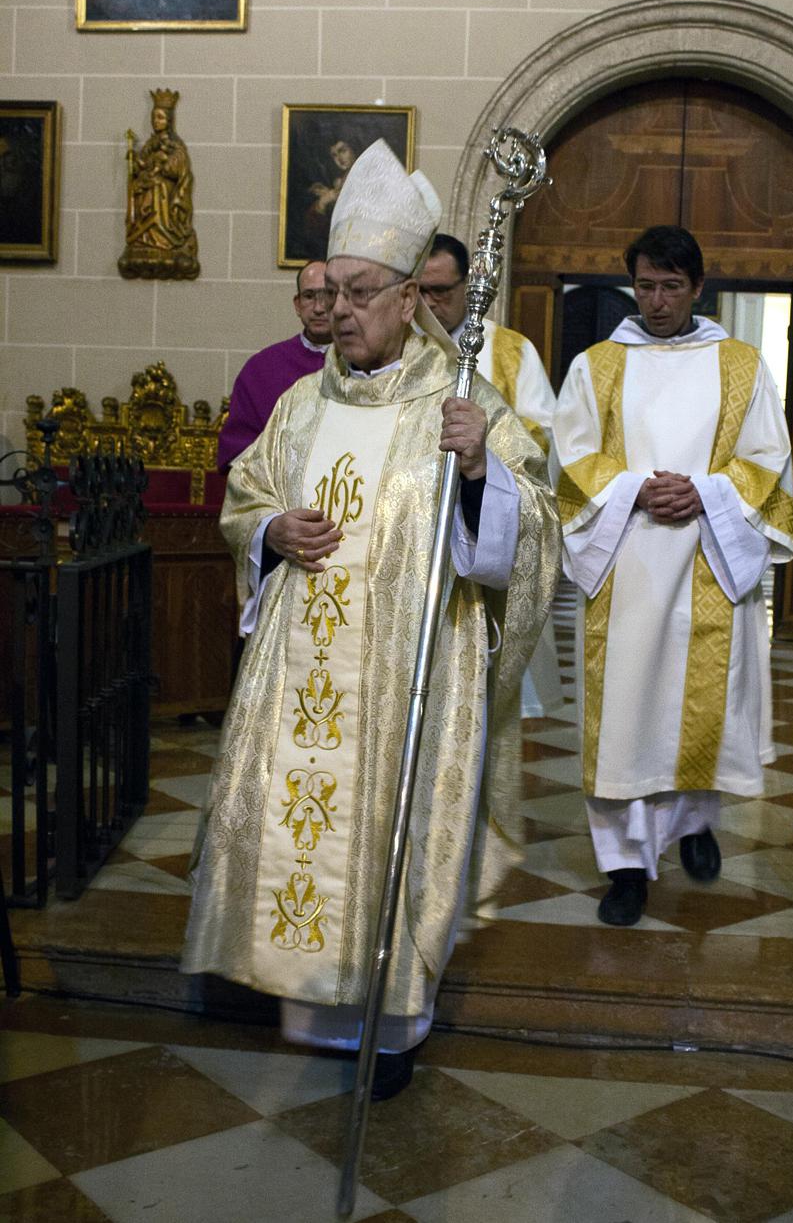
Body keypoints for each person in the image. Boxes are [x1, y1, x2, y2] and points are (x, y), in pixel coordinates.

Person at [182, 140, 559, 1098]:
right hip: (300, 671)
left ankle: (391, 1031)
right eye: (331, 292)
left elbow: (536, 537)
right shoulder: (302, 405)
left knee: (389, 836)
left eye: (359, 293)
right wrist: (271, 529)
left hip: (407, 687)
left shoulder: (464, 406)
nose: (339, 311)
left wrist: (482, 474)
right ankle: (304, 1000)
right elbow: (242, 495)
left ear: (408, 299)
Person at [550, 225, 793, 926]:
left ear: (697, 288)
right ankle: (625, 869)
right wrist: (634, 488)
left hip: (709, 555)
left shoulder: (742, 365)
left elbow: (768, 455)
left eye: (670, 286)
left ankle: (693, 825)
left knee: (695, 717)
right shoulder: (596, 366)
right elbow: (570, 458)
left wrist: (706, 493)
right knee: (625, 718)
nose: (656, 300)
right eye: (646, 285)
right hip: (628, 557)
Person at [421, 233, 565, 719]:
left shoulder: (509, 351)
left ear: (469, 285)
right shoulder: (406, 351)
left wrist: (486, 453)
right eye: (420, 290)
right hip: (418, 534)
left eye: (441, 290)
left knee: (484, 708)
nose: (431, 302)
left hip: (482, 530)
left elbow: (541, 442)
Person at [217, 261, 331, 472]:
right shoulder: (261, 369)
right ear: (297, 305)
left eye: (328, 295)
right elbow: (236, 453)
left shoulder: (367, 364)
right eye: (309, 296)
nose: (318, 307)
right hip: (279, 498)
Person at [118, 89, 199, 280]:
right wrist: (136, 162)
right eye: (154, 118)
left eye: (161, 118)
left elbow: (180, 168)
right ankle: (144, 239)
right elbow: (144, 164)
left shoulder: (175, 144)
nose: (156, 122)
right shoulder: (150, 143)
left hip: (165, 187)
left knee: (158, 187)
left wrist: (164, 164)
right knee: (139, 187)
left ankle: (164, 235)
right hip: (149, 181)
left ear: (169, 121)